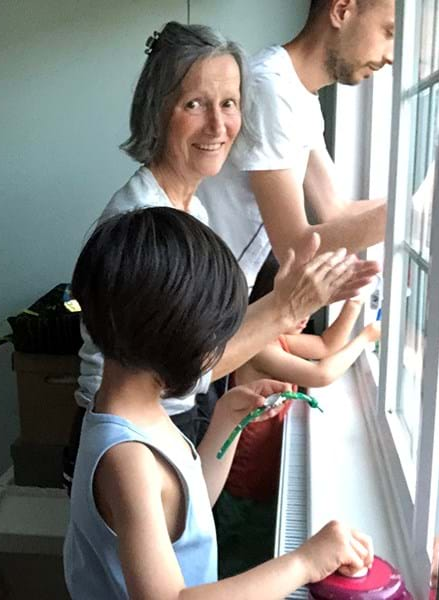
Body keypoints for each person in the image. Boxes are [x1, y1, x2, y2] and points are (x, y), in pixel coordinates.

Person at [72, 21, 378, 452]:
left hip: (166, 419)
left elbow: (206, 343)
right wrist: (284, 306)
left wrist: (287, 307)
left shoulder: (193, 209)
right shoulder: (147, 222)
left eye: (229, 104)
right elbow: (186, 368)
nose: (218, 126)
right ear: (156, 111)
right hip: (128, 437)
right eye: (194, 104)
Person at [64, 206, 374, 599]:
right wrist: (303, 562)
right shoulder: (127, 461)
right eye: (216, 340)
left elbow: (187, 510)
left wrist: (226, 419)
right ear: (178, 342)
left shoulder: (132, 413)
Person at [197, 0, 396, 288]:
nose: (390, 56)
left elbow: (336, 209)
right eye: (388, 32)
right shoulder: (270, 89)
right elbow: (293, 247)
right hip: (200, 294)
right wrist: (397, 217)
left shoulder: (299, 94)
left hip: (224, 288)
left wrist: (415, 210)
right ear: (342, 11)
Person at [215, 296, 380, 577]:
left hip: (265, 466)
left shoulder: (278, 337)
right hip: (245, 474)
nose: (305, 317)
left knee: (259, 537)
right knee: (240, 550)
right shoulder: (260, 346)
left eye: (308, 309)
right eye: (296, 307)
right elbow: (321, 372)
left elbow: (327, 345)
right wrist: (365, 337)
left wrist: (354, 303)